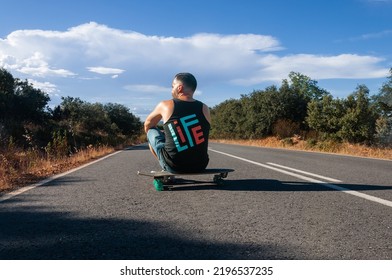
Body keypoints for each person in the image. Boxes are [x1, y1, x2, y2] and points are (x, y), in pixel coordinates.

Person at [144, 72, 211, 173]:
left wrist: (165, 136)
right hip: (201, 165)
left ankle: (165, 166)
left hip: (174, 166)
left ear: (179, 88)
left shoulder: (165, 105)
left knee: (151, 130)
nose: (171, 90)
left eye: (172, 86)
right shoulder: (205, 108)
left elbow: (147, 124)